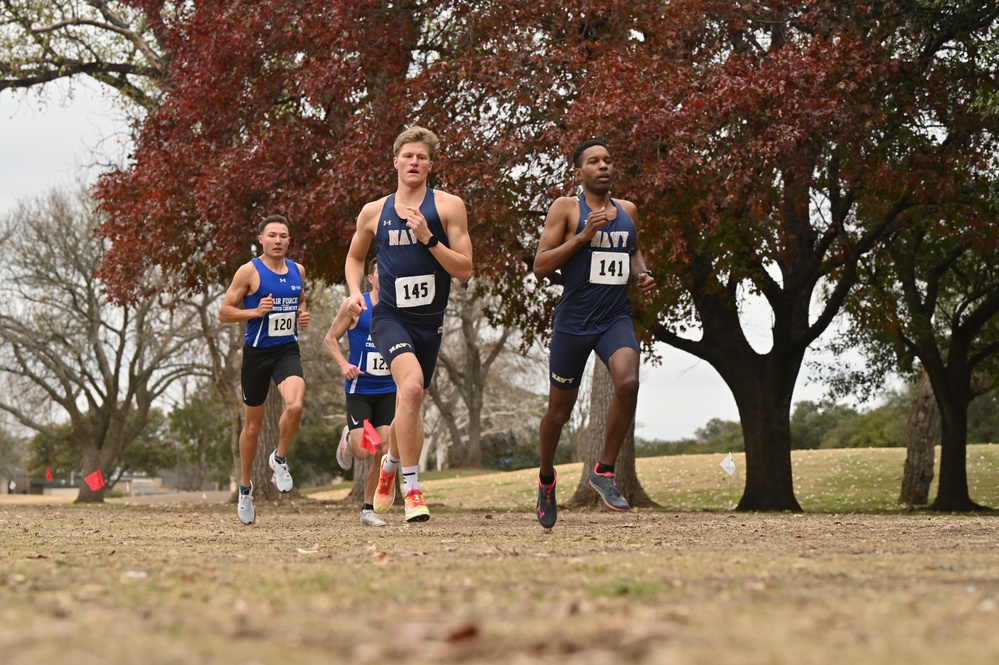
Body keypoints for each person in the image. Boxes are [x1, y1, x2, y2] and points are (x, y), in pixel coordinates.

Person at [344, 126, 473, 523]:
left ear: (431, 165)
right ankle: (412, 488)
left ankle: (389, 465)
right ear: (396, 162)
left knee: (411, 399)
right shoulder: (374, 211)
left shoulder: (449, 207)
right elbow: (354, 258)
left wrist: (429, 239)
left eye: (422, 157)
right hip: (390, 317)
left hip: (429, 323)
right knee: (412, 386)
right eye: (408, 156)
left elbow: (465, 271)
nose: (414, 162)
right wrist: (354, 291)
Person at [532, 139, 656, 529]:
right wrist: (582, 237)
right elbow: (540, 266)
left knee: (629, 381)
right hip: (574, 322)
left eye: (608, 159)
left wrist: (642, 273)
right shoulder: (566, 209)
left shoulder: (628, 211)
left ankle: (603, 471)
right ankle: (547, 478)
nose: (603, 166)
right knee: (559, 412)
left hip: (614, 317)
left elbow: (633, 250)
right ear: (579, 172)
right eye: (593, 161)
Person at [219, 215, 310, 525]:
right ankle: (246, 488)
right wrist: (254, 311)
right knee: (253, 427)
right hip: (257, 354)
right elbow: (224, 311)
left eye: (283, 235)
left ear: (289, 240)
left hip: (286, 349)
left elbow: (300, 301)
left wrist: (303, 313)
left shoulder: (298, 271)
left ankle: (279, 458)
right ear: (261, 239)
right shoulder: (249, 271)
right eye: (272, 235)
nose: (278, 240)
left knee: (295, 405)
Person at [324, 257, 396, 527]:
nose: (387, 276)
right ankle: (349, 440)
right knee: (365, 451)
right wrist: (345, 365)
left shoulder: (399, 307)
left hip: (389, 388)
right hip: (361, 388)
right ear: (371, 278)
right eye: (382, 272)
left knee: (384, 448)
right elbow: (330, 339)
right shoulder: (356, 305)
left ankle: (368, 509)